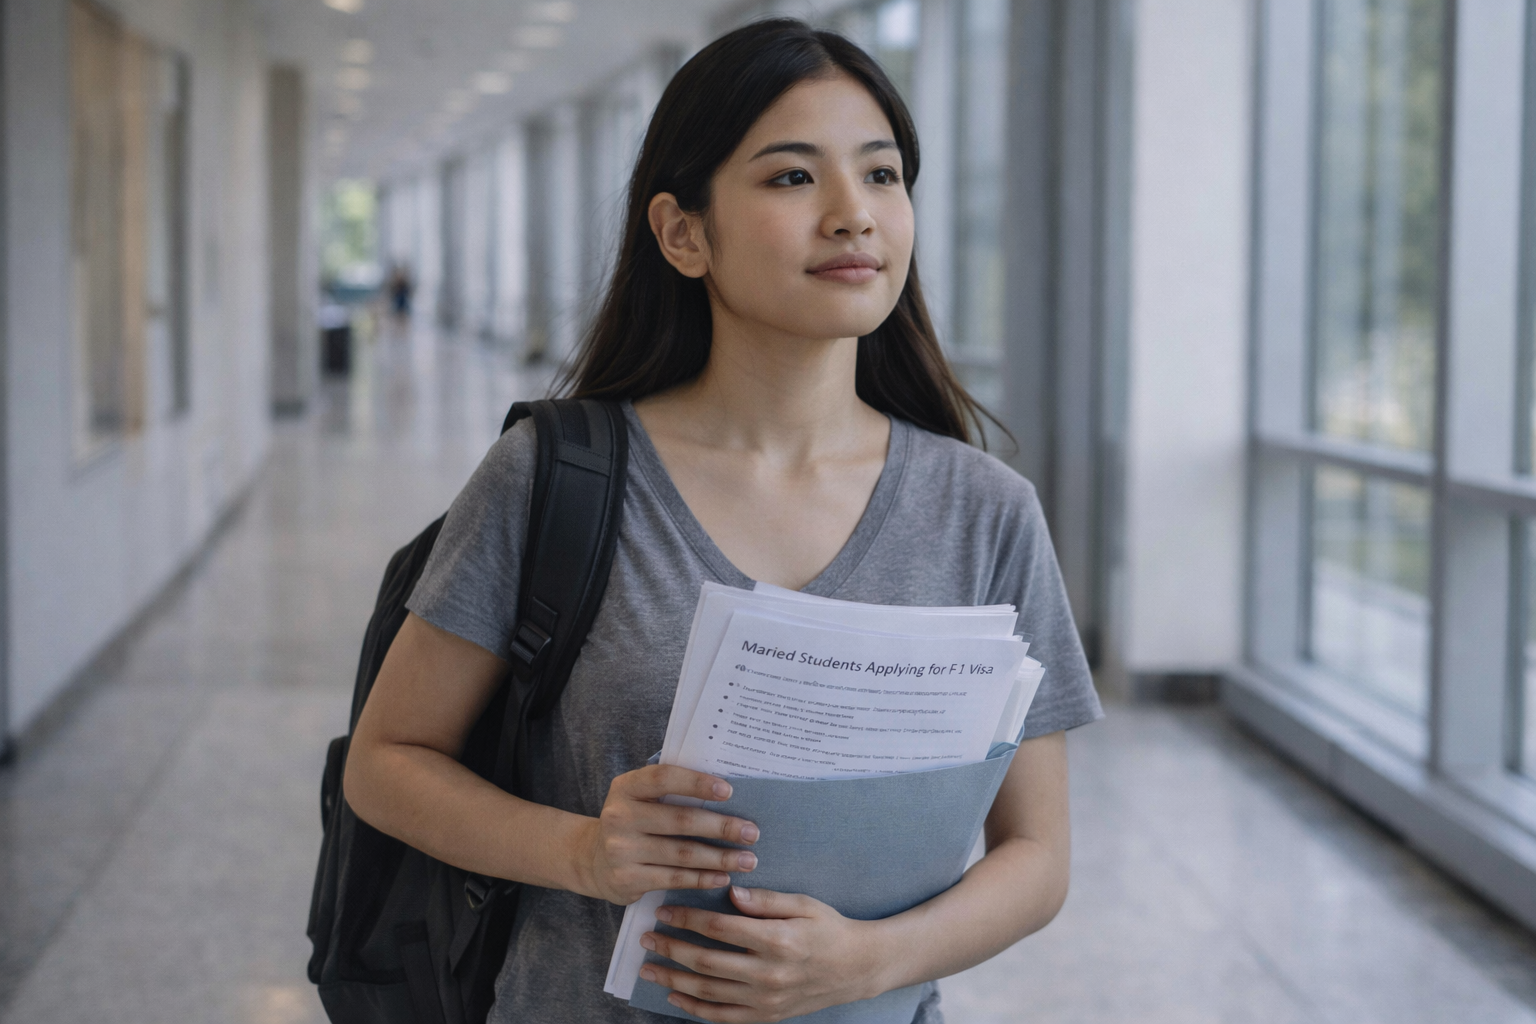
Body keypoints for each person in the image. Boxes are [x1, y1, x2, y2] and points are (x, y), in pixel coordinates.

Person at [343, 18, 1102, 1024]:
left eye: (881, 175)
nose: (853, 215)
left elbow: (1038, 857)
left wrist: (866, 963)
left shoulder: (985, 510)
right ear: (681, 232)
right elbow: (385, 765)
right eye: (793, 178)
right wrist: (580, 851)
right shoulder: (554, 477)